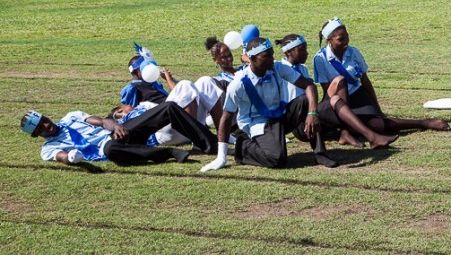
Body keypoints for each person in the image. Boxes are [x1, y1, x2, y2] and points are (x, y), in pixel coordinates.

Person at [200, 36, 338, 172]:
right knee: (277, 159)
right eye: (267, 56)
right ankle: (243, 148)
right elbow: (226, 117)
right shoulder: (238, 84)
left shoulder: (277, 67)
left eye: (272, 54)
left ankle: (320, 153)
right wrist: (221, 156)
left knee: (304, 101)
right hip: (257, 125)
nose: (273, 58)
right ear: (253, 59)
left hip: (279, 116)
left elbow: (309, 86)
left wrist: (312, 113)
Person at [313, 18, 451, 138]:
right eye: (340, 39)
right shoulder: (320, 59)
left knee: (377, 123)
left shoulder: (353, 52)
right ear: (329, 40)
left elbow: (365, 81)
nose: (346, 42)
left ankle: (424, 123)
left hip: (357, 95)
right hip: (338, 101)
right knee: (357, 124)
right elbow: (327, 91)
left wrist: (377, 108)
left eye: (347, 36)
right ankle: (347, 129)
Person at [278, 33, 398, 149]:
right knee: (343, 104)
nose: (306, 53)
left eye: (306, 49)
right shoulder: (280, 70)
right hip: (300, 124)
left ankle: (347, 132)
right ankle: (370, 137)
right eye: (302, 50)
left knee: (340, 80)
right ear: (289, 52)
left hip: (311, 112)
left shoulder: (302, 68)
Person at [20, 101, 217, 165]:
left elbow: (100, 121)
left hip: (119, 134)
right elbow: (62, 157)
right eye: (41, 127)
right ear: (35, 135)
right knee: (111, 150)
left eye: (44, 120)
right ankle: (168, 153)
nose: (47, 126)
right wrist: (72, 158)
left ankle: (211, 144)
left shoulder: (71, 116)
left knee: (168, 107)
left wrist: (115, 125)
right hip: (107, 148)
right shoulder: (48, 148)